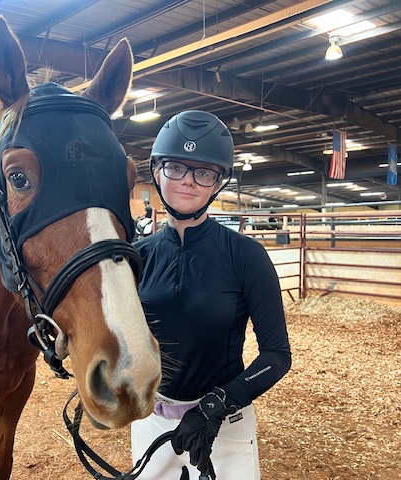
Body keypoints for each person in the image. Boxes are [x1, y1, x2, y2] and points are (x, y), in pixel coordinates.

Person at [131, 110, 291, 480]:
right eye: (175, 167)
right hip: (153, 422)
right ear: (157, 172)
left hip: (225, 424)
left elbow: (277, 355)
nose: (188, 181)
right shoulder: (137, 256)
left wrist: (216, 405)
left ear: (217, 182)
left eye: (203, 172)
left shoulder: (246, 256)